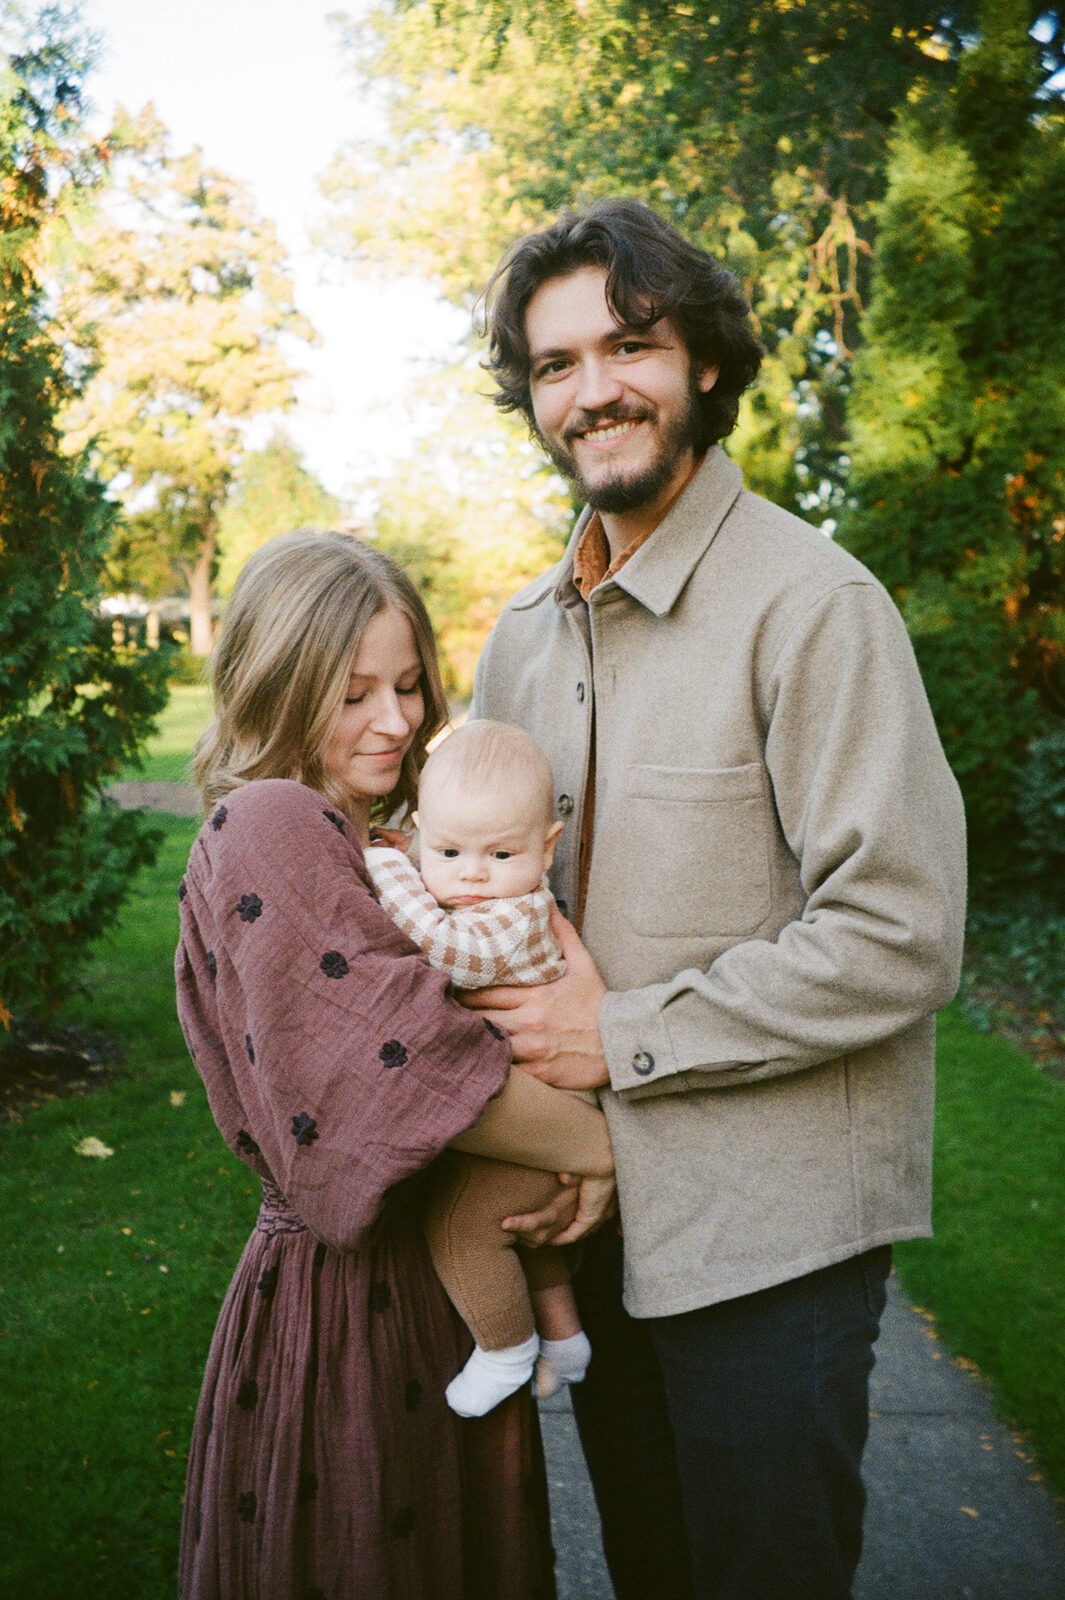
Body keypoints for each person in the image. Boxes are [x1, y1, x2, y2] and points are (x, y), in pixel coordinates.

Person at [464, 199, 968, 1600]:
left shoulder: (814, 606)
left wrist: (624, 1033)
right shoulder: (517, 640)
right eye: (555, 364)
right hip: (598, 1212)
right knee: (652, 1570)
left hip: (771, 1241)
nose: (592, 390)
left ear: (702, 364)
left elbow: (902, 931)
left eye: (629, 345)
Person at [174, 529, 615, 1600]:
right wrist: (602, 1149)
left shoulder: (369, 834)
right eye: (353, 691)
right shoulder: (277, 820)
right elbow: (404, 1069)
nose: (397, 720)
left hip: (433, 1282)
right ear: (278, 683)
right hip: (349, 1305)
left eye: (410, 685)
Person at [365, 719, 609, 1417]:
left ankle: (503, 1349)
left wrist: (386, 864)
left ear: (546, 848)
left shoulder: (516, 916)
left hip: (546, 1116)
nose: (472, 873)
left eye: (501, 853)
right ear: (422, 832)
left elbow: (443, 951)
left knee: (464, 1226)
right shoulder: (486, 890)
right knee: (524, 1235)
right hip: (531, 1113)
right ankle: (564, 1337)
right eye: (448, 850)